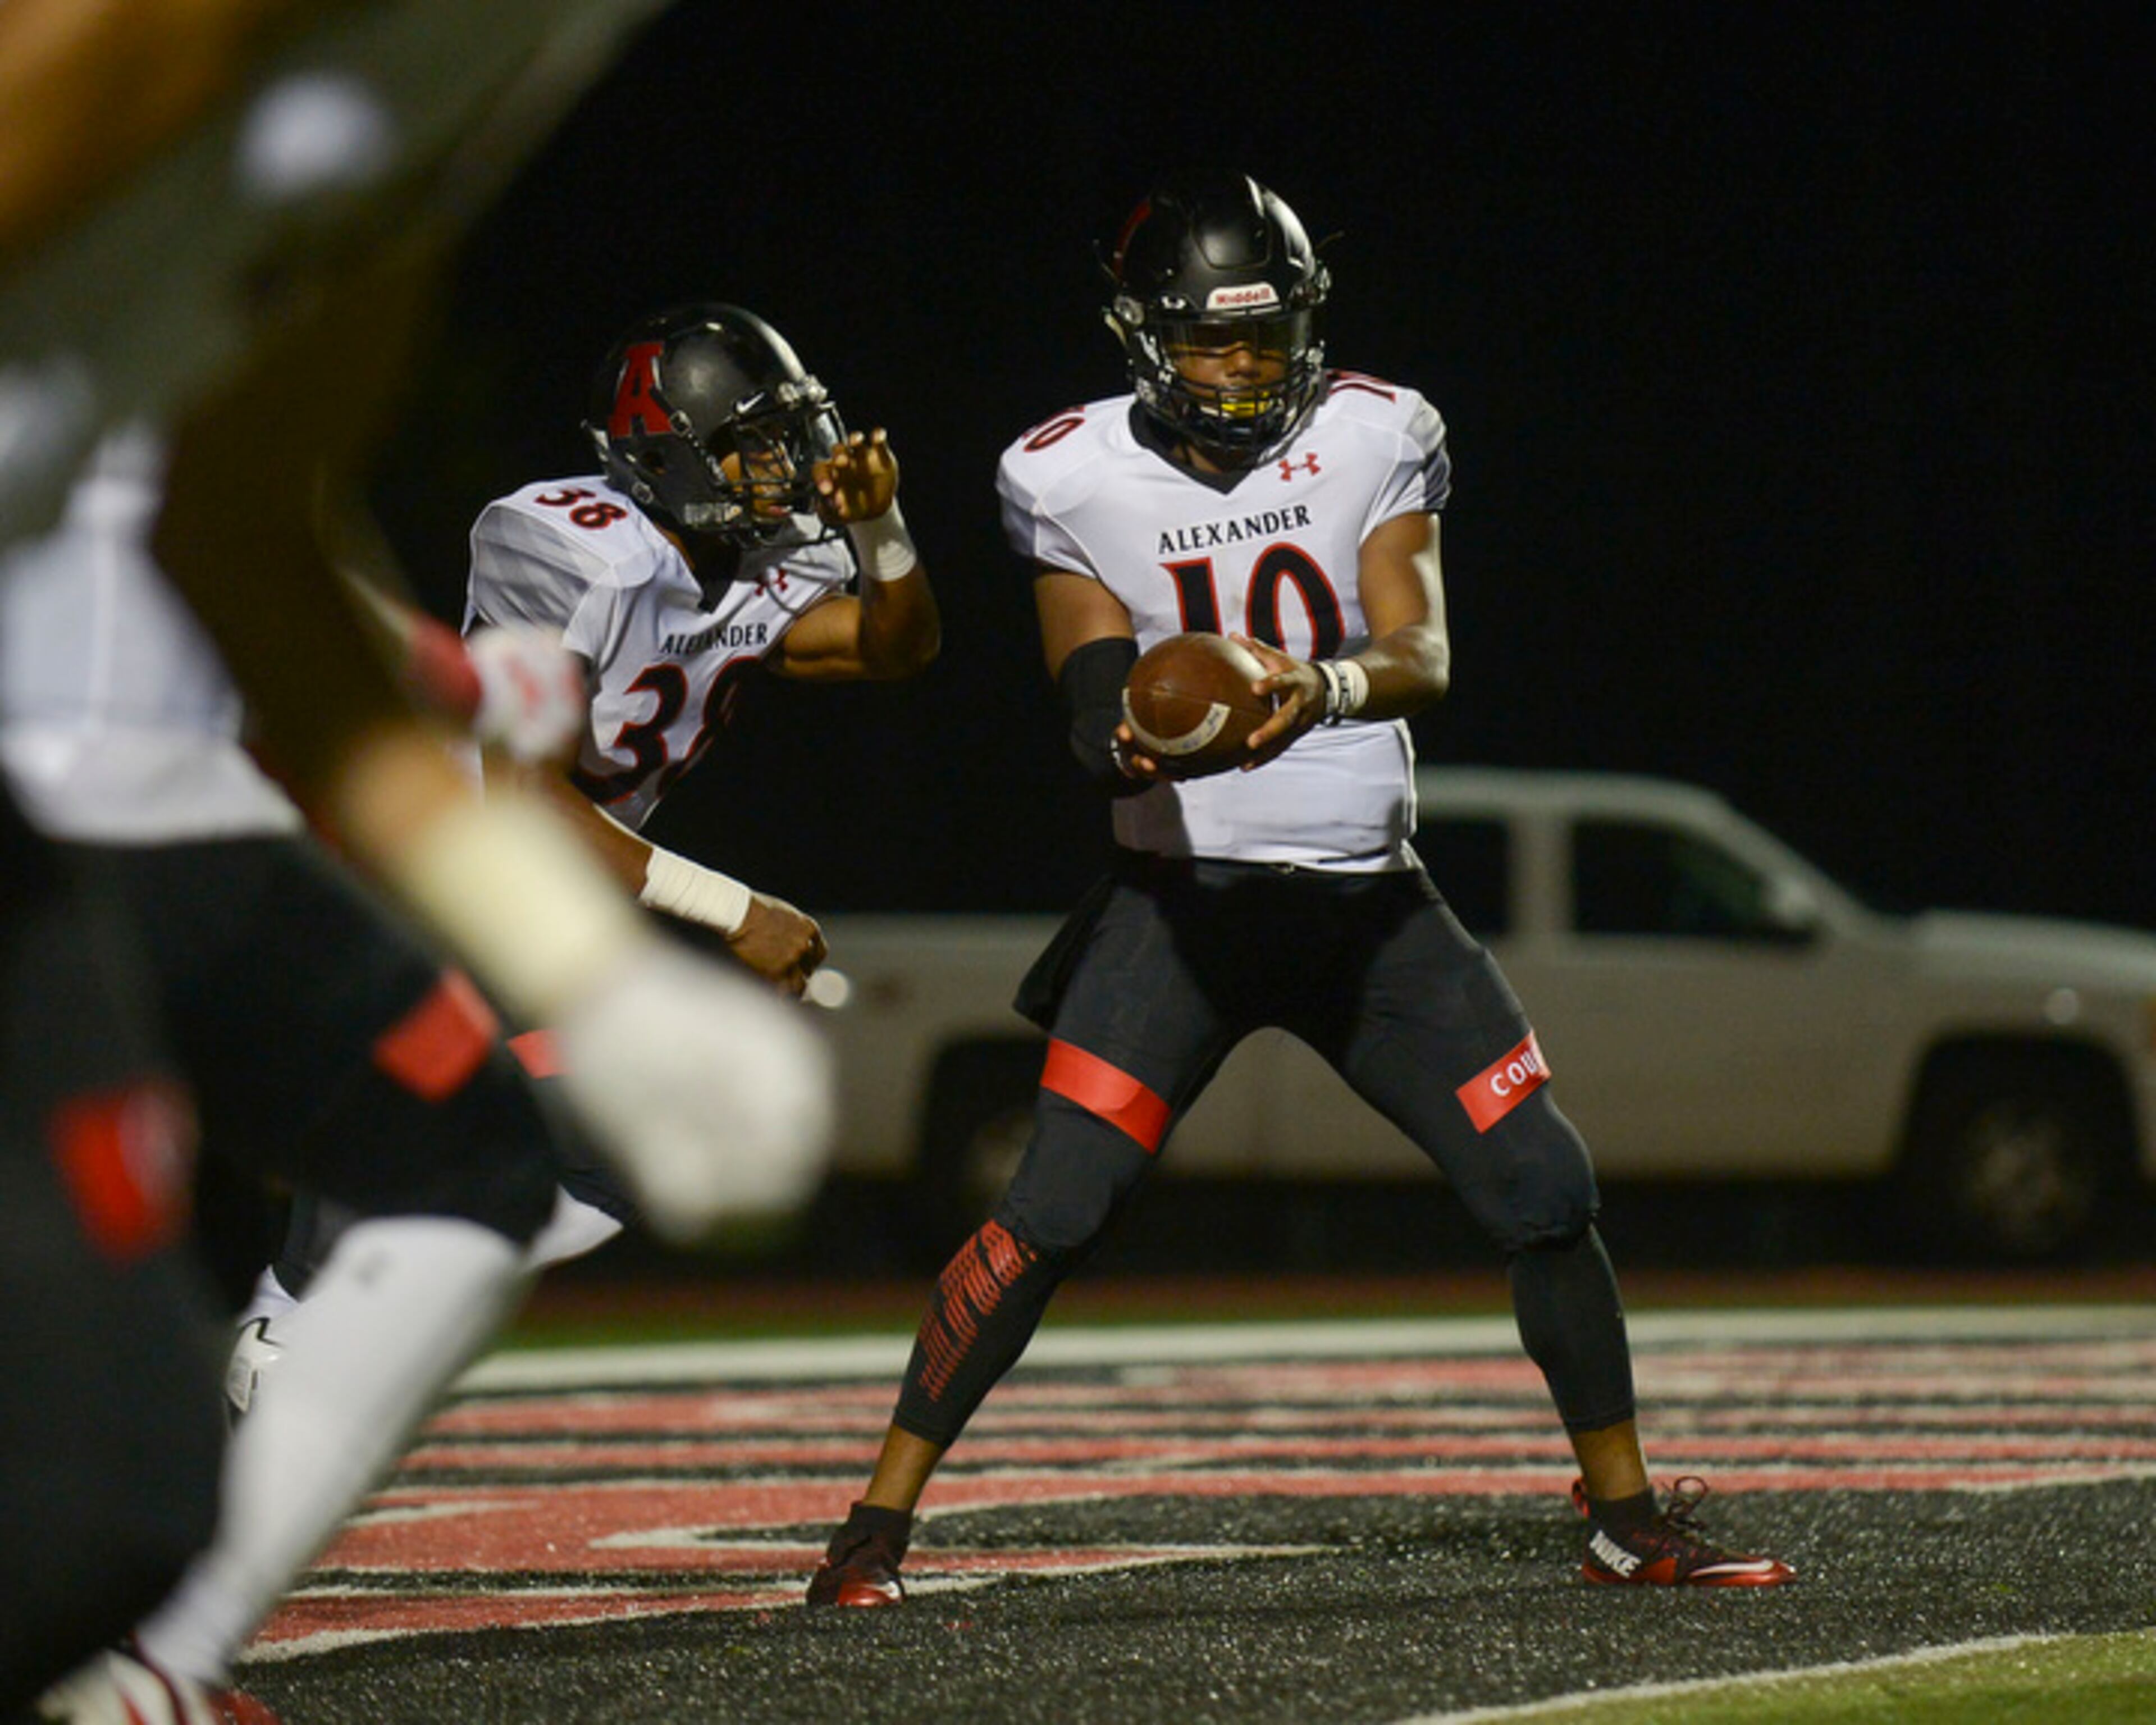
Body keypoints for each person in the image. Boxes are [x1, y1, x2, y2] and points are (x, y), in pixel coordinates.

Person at [807, 177, 1794, 1607]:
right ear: (1144, 338)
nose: (1246, 373)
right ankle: (872, 1530)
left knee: (1545, 1189)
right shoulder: (1067, 471)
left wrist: (1314, 684)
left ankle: (1627, 1519)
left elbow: (1423, 650)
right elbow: (1091, 698)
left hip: (1371, 917)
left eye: (1267, 343)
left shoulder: (1375, 433)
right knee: (1048, 1211)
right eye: (1214, 345)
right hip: (1181, 917)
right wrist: (1135, 727)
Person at [240, 300, 941, 1311]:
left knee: (631, 1141)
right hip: (428, 875)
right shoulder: (579, 549)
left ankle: (345, 1306)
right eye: (749, 447)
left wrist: (880, 523)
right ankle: (290, 1334)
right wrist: (737, 911)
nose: (781, 468)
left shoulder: (760, 562)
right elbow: (526, 801)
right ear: (671, 456)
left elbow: (895, 646)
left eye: (785, 437)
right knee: (389, 1194)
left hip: (535, 897)